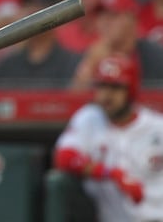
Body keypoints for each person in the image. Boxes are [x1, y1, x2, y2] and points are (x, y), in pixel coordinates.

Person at [54, 54, 163, 221]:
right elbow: (64, 157)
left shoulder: (157, 127)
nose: (107, 95)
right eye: (102, 86)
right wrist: (112, 174)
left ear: (131, 89)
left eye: (115, 87)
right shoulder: (90, 118)